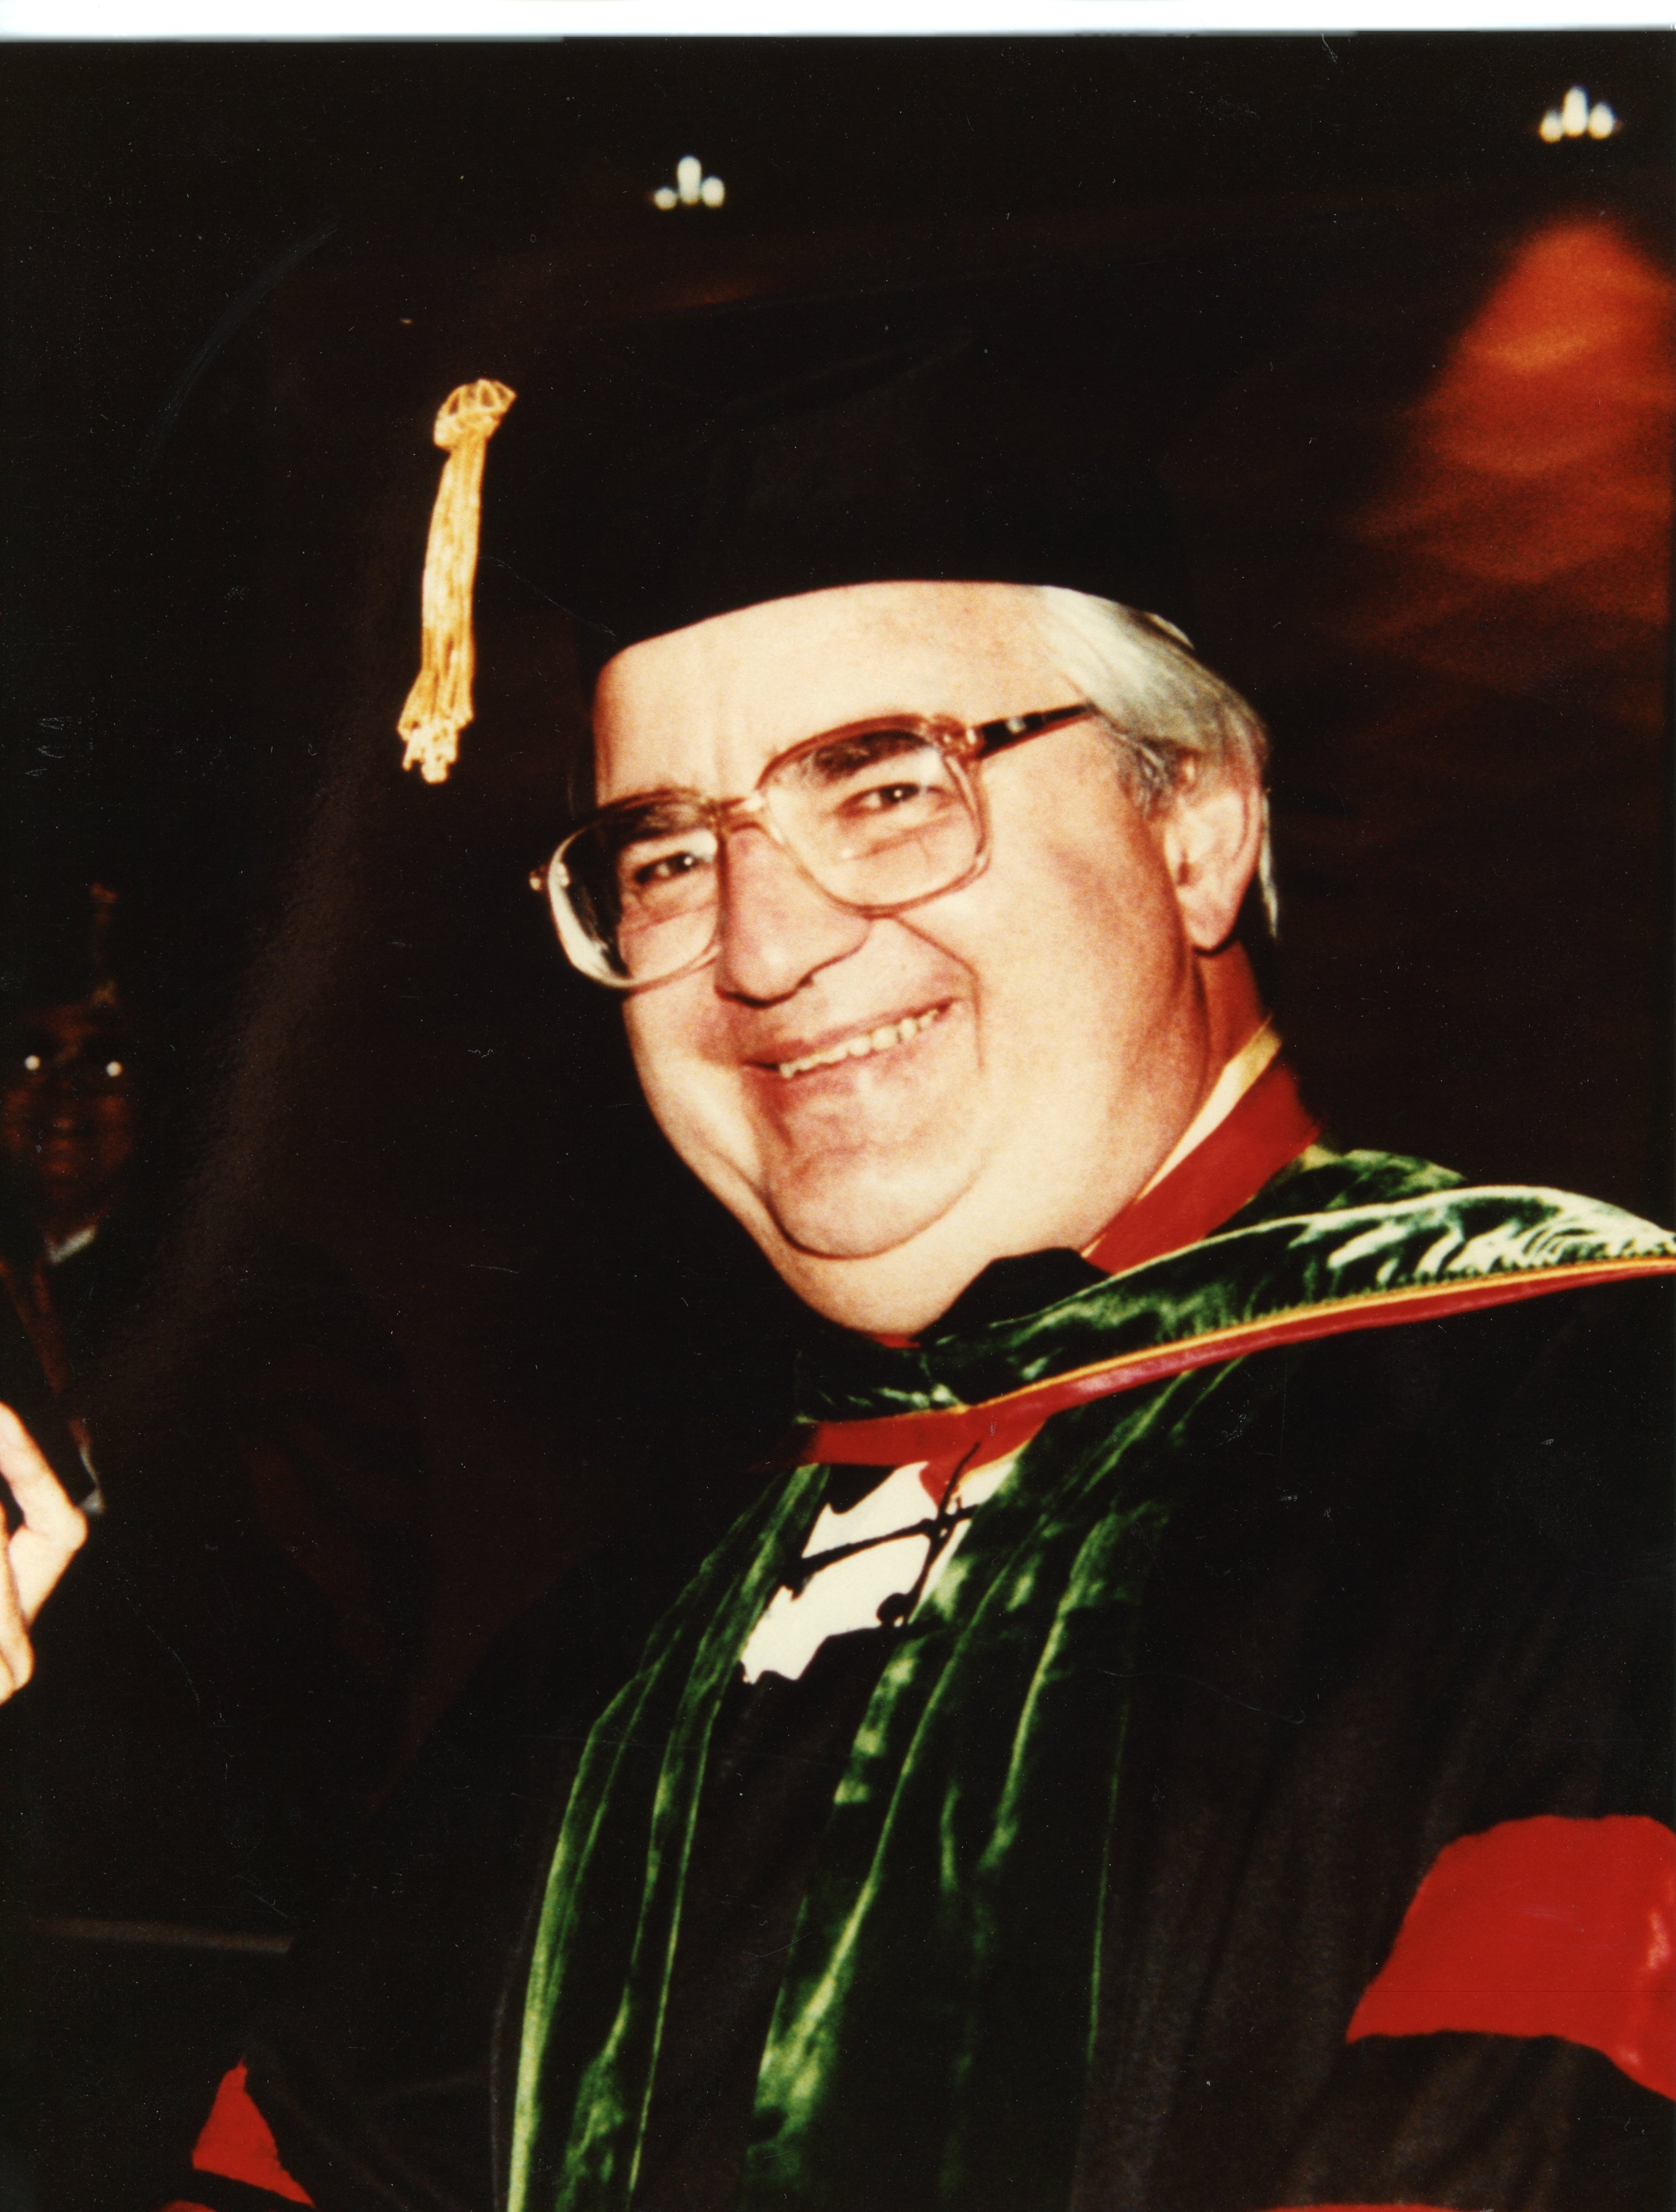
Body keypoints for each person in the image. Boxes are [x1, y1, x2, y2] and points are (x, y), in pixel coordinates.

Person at [10, 307, 1672, 2208]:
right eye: (664, 856)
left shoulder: (1589, 1439)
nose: (763, 948)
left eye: (884, 787)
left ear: (1199, 830)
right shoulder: (608, 1657)